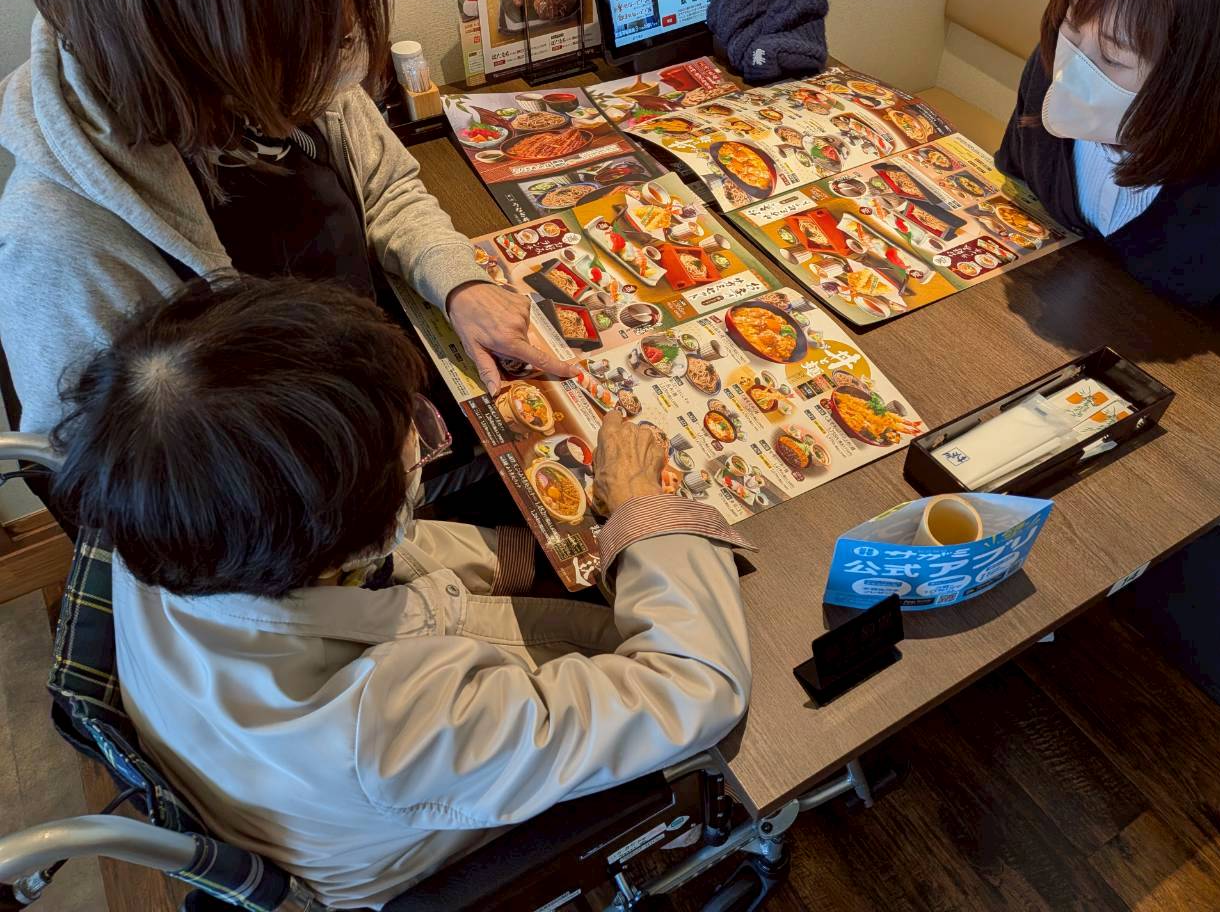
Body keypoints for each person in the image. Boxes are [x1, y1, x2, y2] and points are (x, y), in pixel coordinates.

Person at [50, 277, 753, 910]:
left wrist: (520, 554)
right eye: (411, 441)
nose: (420, 446)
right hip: (431, 840)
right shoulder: (392, 729)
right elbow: (697, 689)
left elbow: (371, 568)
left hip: (301, 767)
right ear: (337, 538)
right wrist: (639, 507)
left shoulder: (164, 510)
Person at [0, 0, 575, 440]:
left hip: (387, 402)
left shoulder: (288, 62)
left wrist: (459, 283)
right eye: (316, 40)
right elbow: (103, 482)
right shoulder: (58, 241)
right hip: (301, 499)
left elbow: (386, 186)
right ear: (194, 38)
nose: (339, 53)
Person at [996, 0, 1220, 336]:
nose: (1069, 71)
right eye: (1071, 26)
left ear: (1207, 79)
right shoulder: (1051, 74)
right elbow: (1019, 184)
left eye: (1113, 58)